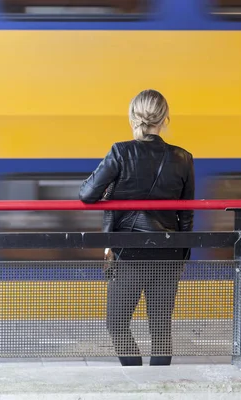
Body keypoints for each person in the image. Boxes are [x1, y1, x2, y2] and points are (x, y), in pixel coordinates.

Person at [79, 89, 195, 367]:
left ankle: (135, 373)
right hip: (169, 252)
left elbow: (86, 195)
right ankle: (158, 384)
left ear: (132, 117)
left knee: (117, 322)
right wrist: (183, 255)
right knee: (160, 326)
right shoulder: (183, 157)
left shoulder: (121, 152)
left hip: (128, 253)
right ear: (165, 119)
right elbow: (186, 213)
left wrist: (110, 191)